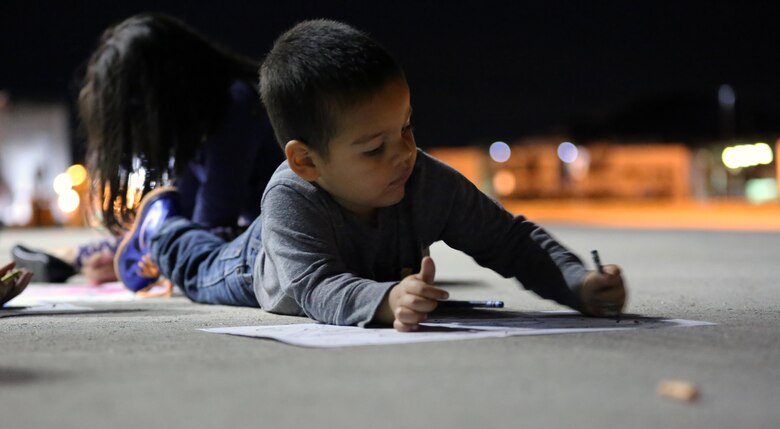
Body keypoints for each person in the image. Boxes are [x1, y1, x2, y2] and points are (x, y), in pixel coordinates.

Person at [113, 19, 627, 331]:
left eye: (406, 126)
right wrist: (384, 301)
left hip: (324, 269)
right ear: (307, 162)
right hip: (256, 265)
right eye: (373, 147)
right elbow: (316, 286)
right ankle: (162, 225)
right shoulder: (291, 198)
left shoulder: (421, 179)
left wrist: (579, 283)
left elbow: (509, 239)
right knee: (199, 268)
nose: (404, 152)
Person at [12, 13, 281, 286]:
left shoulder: (236, 106)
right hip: (257, 234)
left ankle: (71, 259)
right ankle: (70, 259)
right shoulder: (200, 123)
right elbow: (182, 211)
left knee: (202, 260)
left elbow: (206, 227)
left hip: (282, 241)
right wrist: (125, 248)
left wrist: (134, 256)